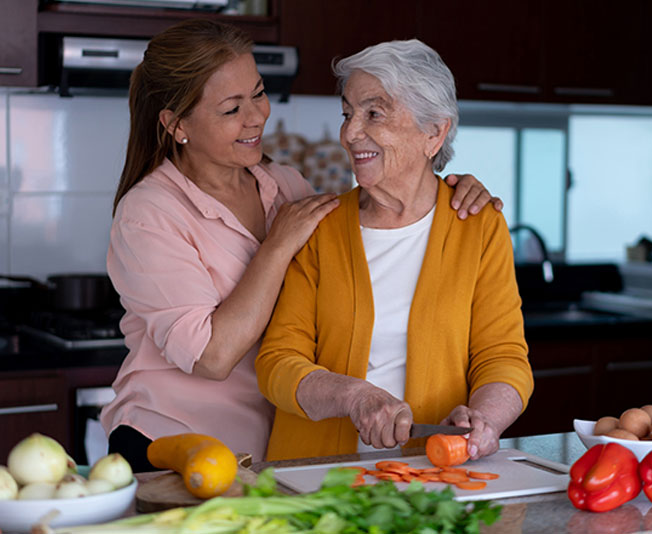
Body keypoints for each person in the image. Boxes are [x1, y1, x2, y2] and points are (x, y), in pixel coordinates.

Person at [99, 20, 501, 472]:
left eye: (258, 92)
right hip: (173, 443)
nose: (256, 116)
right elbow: (210, 357)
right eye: (232, 109)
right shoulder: (148, 213)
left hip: (263, 453)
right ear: (176, 125)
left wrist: (456, 188)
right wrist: (276, 246)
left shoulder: (285, 186)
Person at [255, 39, 533, 462]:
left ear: (434, 132)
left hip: (436, 473)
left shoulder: (478, 226)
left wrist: (485, 419)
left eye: (374, 113)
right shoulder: (318, 227)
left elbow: (503, 355)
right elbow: (277, 362)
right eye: (348, 113)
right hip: (317, 477)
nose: (349, 133)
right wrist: (354, 396)